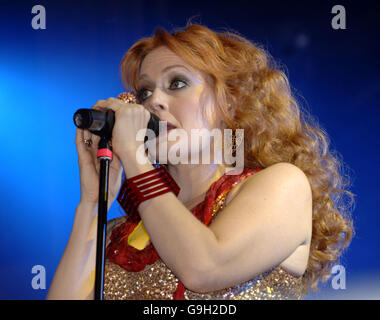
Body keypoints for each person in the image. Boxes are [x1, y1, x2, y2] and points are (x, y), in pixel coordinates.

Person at [47, 23, 355, 300]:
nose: (154, 101)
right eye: (144, 91)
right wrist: (93, 202)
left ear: (229, 101)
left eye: (177, 83)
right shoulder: (119, 233)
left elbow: (203, 268)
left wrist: (136, 162)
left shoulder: (282, 185)